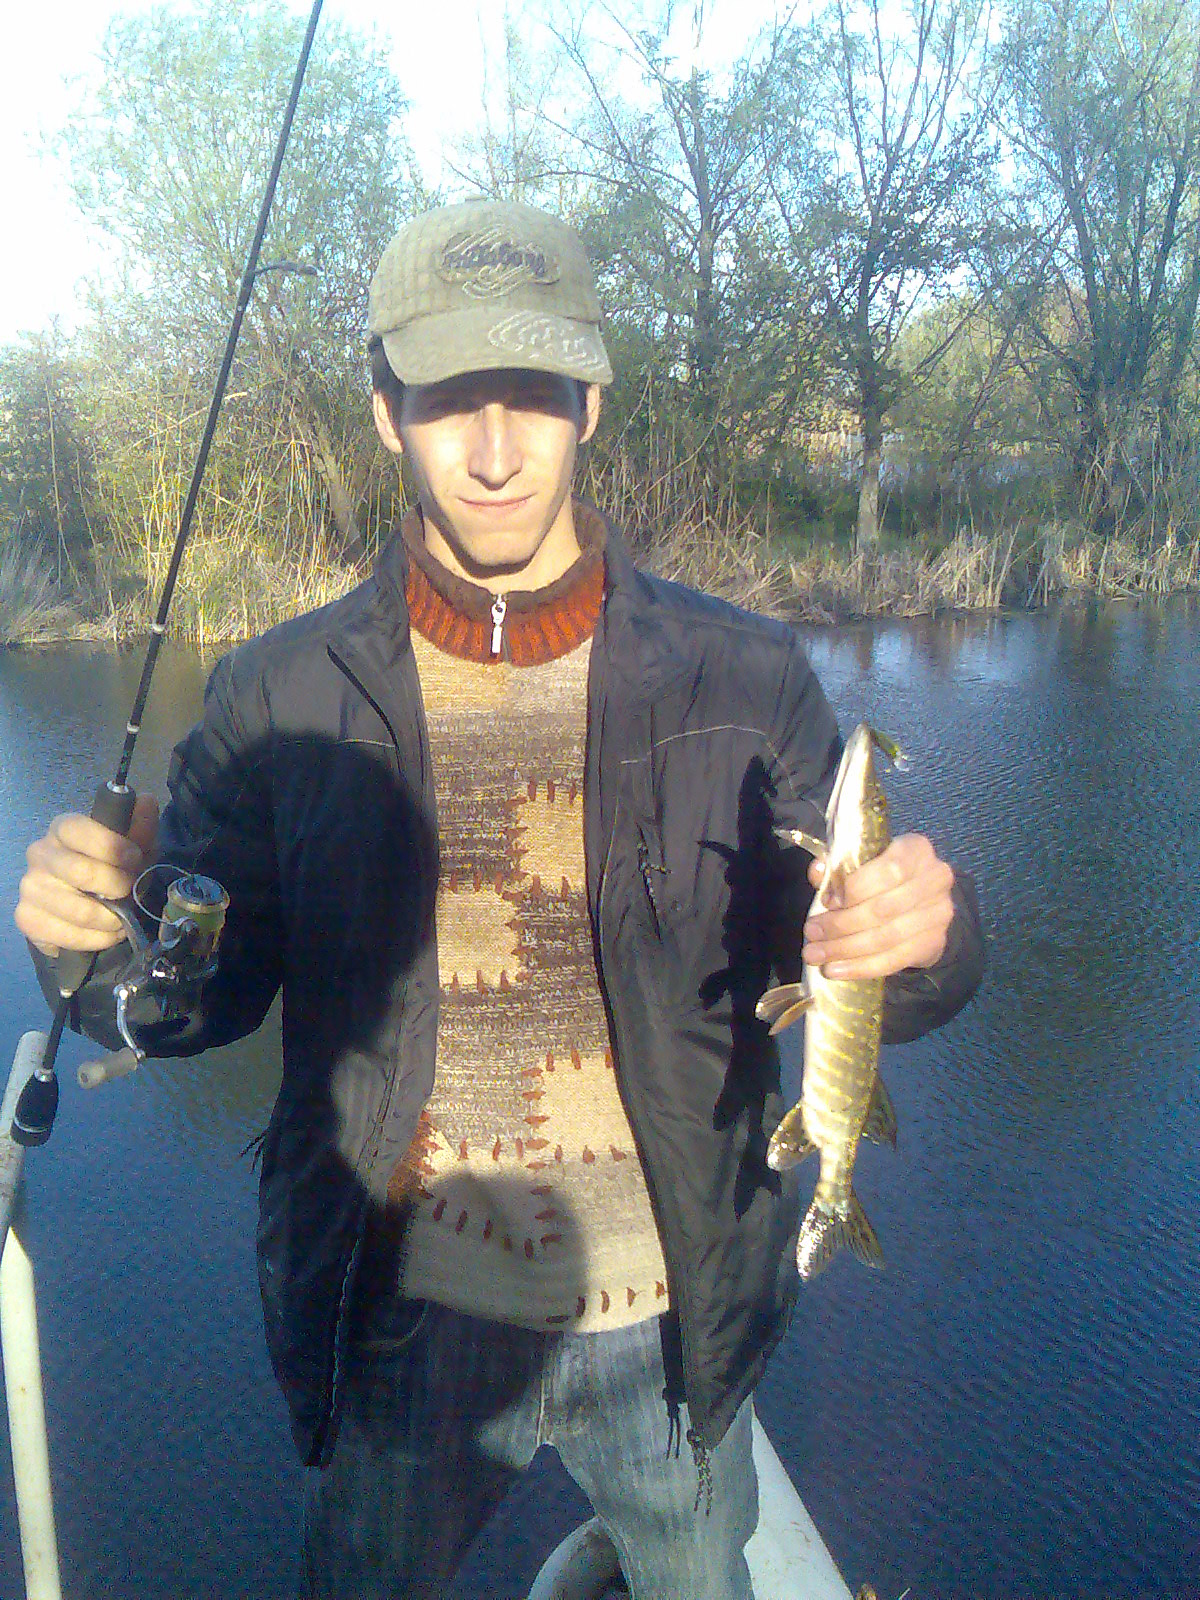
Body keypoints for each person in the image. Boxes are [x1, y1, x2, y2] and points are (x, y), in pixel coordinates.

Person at [15, 200, 984, 1599]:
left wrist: (928, 936)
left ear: (591, 403)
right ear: (384, 415)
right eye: (446, 399)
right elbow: (188, 1001)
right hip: (404, 1323)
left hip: (674, 1330)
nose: (490, 451)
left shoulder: (745, 675)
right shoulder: (276, 696)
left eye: (530, 394)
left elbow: (856, 958)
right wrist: (98, 948)